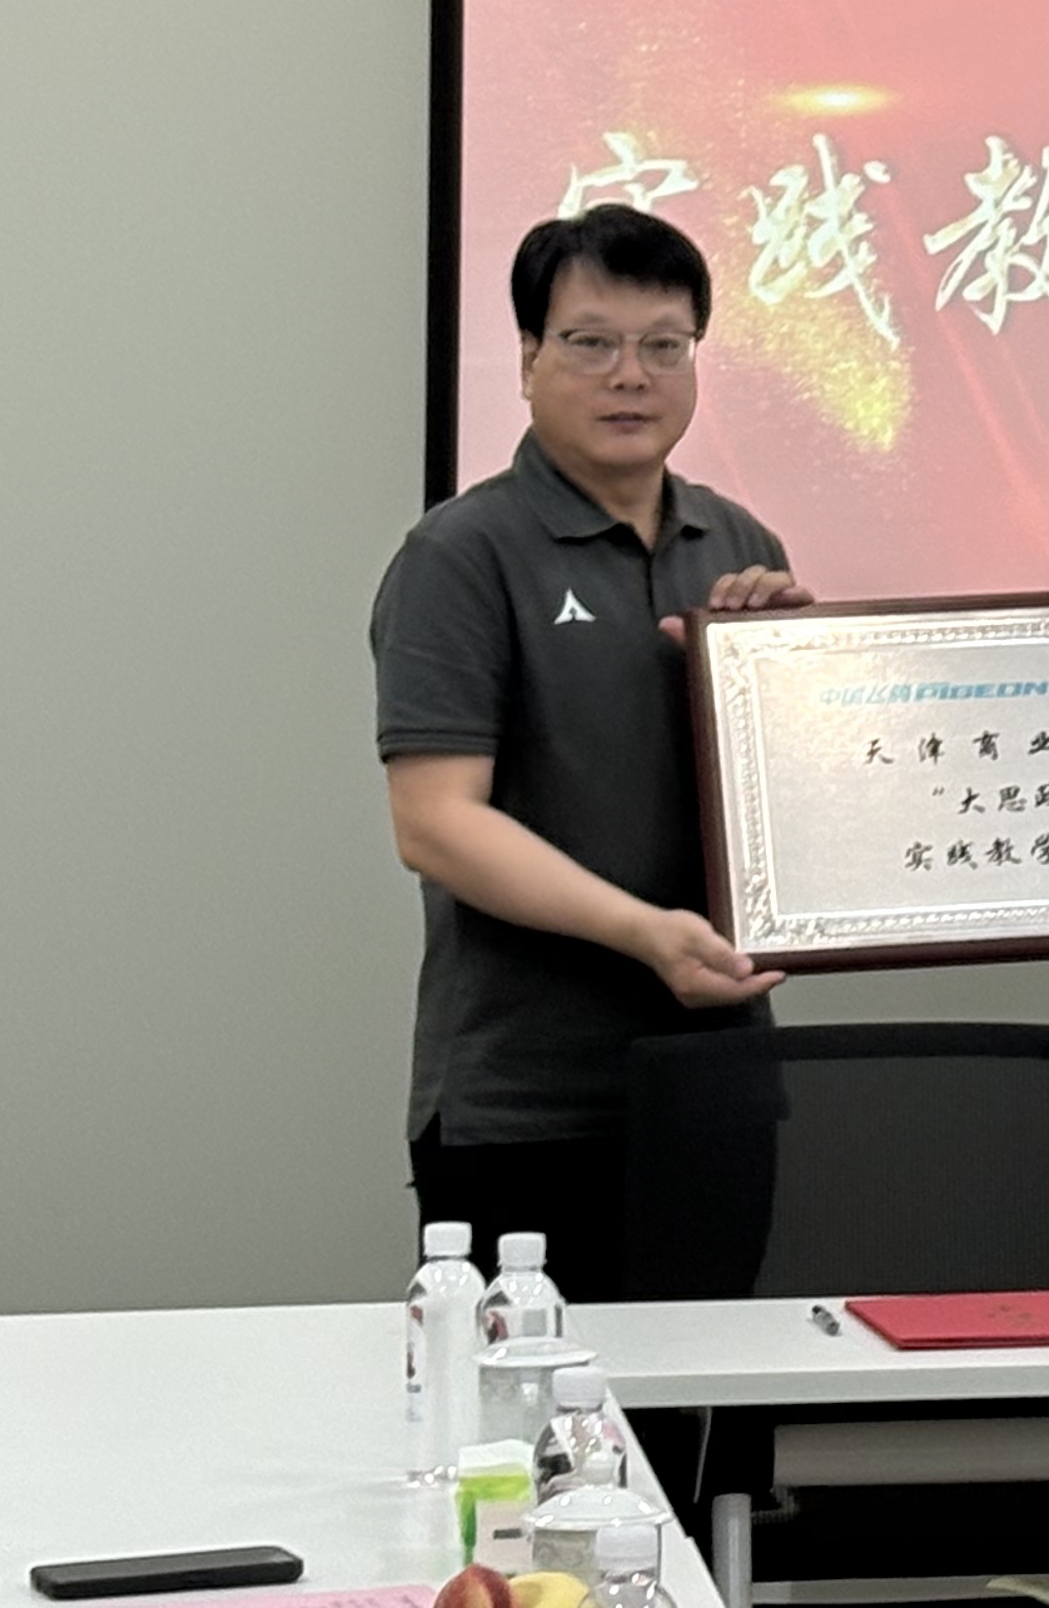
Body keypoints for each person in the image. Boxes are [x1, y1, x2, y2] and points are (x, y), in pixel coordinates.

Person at [372, 203, 808, 1298]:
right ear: (528, 358)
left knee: (713, 1399)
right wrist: (643, 934)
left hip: (716, 1083)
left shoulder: (739, 546)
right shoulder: (461, 555)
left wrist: (800, 682)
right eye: (591, 343)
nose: (631, 376)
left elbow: (793, 813)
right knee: (528, 1402)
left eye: (665, 345)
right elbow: (436, 824)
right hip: (529, 1105)